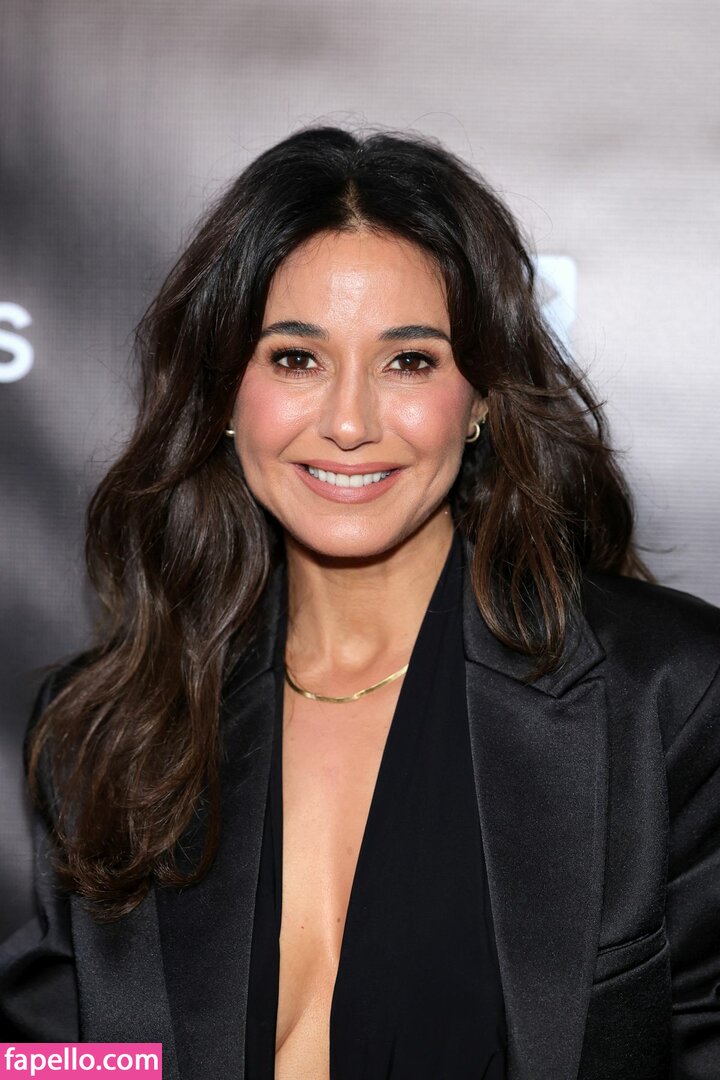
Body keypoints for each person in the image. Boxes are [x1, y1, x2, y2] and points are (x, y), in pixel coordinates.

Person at [1, 124, 719, 1080]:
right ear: (225, 393)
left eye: (408, 361)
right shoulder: (106, 731)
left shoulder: (663, 699)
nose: (348, 422)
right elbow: (61, 1057)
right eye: (296, 359)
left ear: (482, 399)